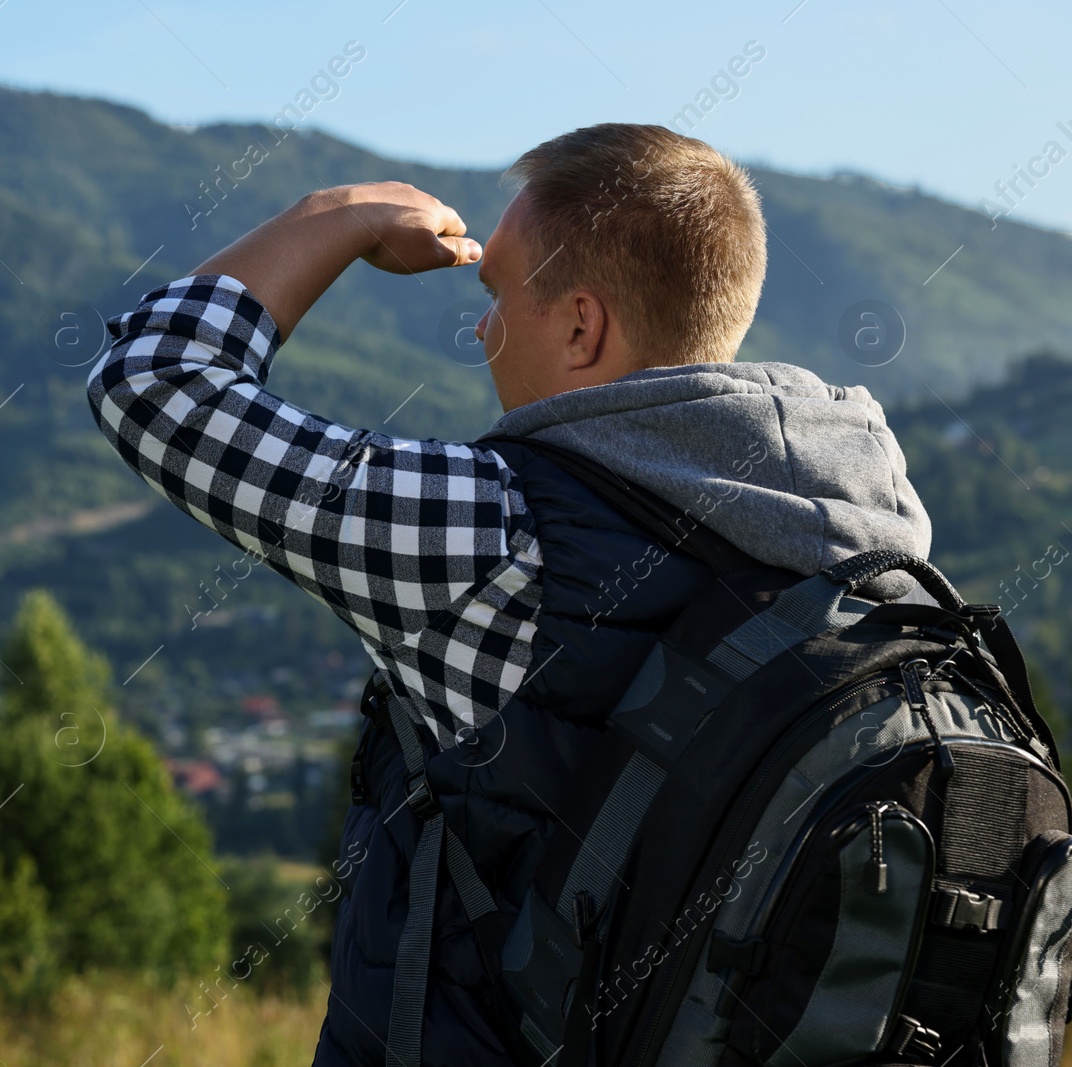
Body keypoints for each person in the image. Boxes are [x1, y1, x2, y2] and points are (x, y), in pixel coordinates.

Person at [86, 123, 931, 1066]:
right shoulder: (882, 551)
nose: (483, 330)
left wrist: (335, 215)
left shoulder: (497, 536)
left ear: (580, 326)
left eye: (496, 297)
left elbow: (156, 379)